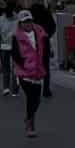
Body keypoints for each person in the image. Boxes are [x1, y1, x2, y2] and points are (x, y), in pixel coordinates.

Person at [12, 7, 52, 138]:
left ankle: (29, 119)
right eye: (24, 22)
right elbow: (16, 55)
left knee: (37, 100)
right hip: (24, 73)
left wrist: (45, 65)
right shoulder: (17, 37)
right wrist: (25, 65)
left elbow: (45, 50)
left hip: (38, 71)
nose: (27, 24)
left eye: (29, 21)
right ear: (20, 23)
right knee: (31, 97)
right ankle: (30, 124)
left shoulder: (40, 33)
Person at [0, 0, 21, 96]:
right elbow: (21, 32)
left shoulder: (1, 19)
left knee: (6, 68)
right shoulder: (18, 19)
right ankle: (15, 89)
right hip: (15, 45)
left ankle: (6, 88)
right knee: (16, 68)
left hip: (4, 45)